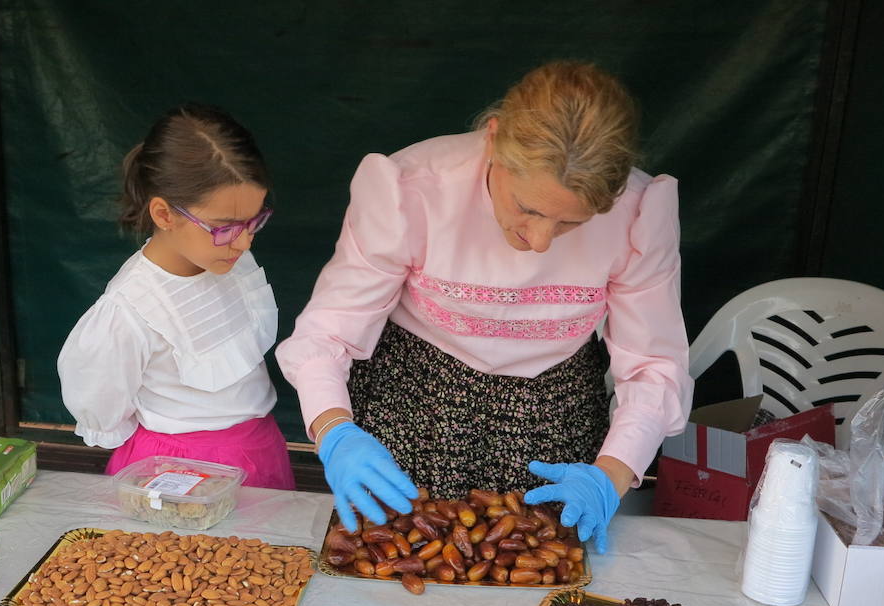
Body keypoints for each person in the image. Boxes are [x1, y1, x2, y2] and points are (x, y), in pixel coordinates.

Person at [277, 61, 692, 547]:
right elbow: (328, 331)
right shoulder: (412, 188)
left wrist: (612, 473)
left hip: (554, 414)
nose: (540, 241)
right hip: (415, 403)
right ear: (493, 141)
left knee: (539, 573)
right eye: (528, 209)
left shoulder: (640, 212)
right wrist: (335, 432)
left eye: (569, 224)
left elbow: (653, 366)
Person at [58, 104, 295, 490]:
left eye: (254, 221)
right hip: (179, 470)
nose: (246, 241)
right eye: (225, 227)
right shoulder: (130, 310)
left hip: (261, 448)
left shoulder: (227, 256)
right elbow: (101, 404)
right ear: (165, 215)